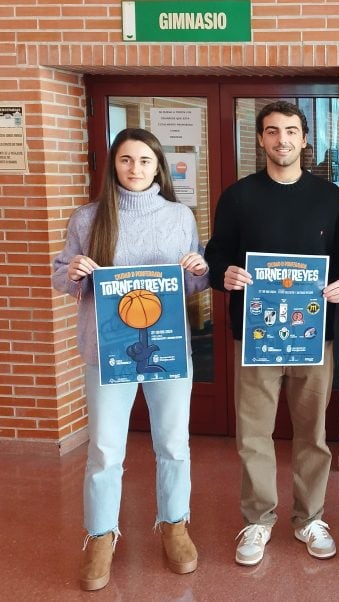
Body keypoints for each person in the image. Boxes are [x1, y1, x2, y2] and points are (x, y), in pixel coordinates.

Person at [52, 128, 210, 591]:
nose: (135, 169)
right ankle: (101, 535)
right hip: (107, 353)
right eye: (126, 160)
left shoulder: (180, 216)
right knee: (104, 448)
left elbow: (193, 282)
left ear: (158, 165)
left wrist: (199, 271)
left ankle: (174, 524)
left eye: (144, 160)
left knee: (173, 442)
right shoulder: (88, 218)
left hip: (167, 346)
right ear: (113, 165)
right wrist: (74, 273)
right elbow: (62, 275)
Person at [203, 101, 339, 566]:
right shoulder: (238, 196)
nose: (282, 140)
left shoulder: (330, 197)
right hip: (256, 337)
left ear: (305, 139)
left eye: (291, 131)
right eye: (272, 132)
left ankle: (310, 517)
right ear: (261, 139)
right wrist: (224, 275)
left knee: (312, 433)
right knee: (254, 433)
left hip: (314, 335)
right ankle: (258, 519)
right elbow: (214, 258)